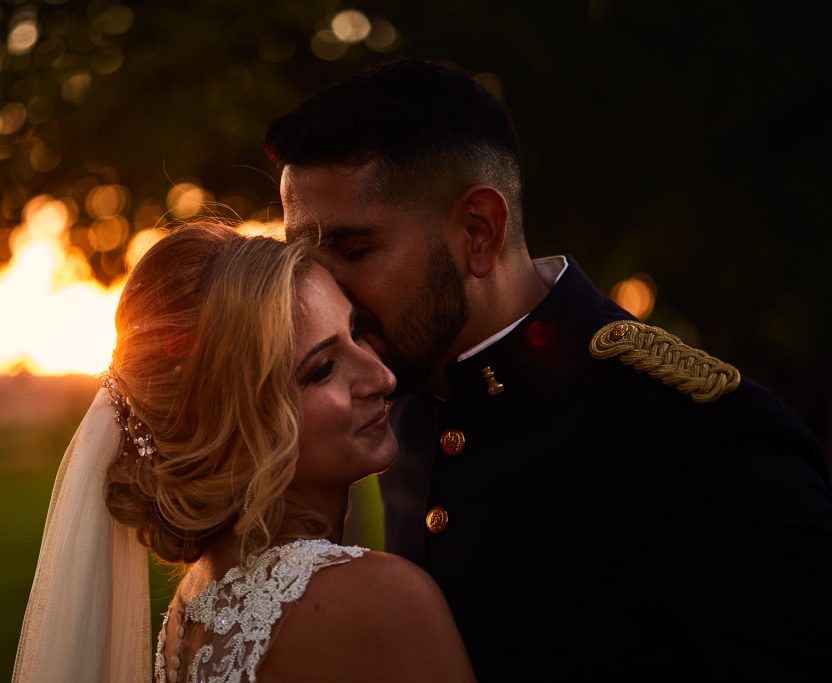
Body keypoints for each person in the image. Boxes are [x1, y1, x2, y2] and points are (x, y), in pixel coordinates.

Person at [266, 59, 832, 680]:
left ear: (479, 232)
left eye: (353, 251)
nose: (324, 291)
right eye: (302, 258)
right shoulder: (384, 409)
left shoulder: (702, 436)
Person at [13, 222, 476, 682]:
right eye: (323, 369)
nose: (383, 378)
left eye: (357, 332)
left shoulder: (194, 606)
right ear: (234, 421)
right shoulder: (382, 600)